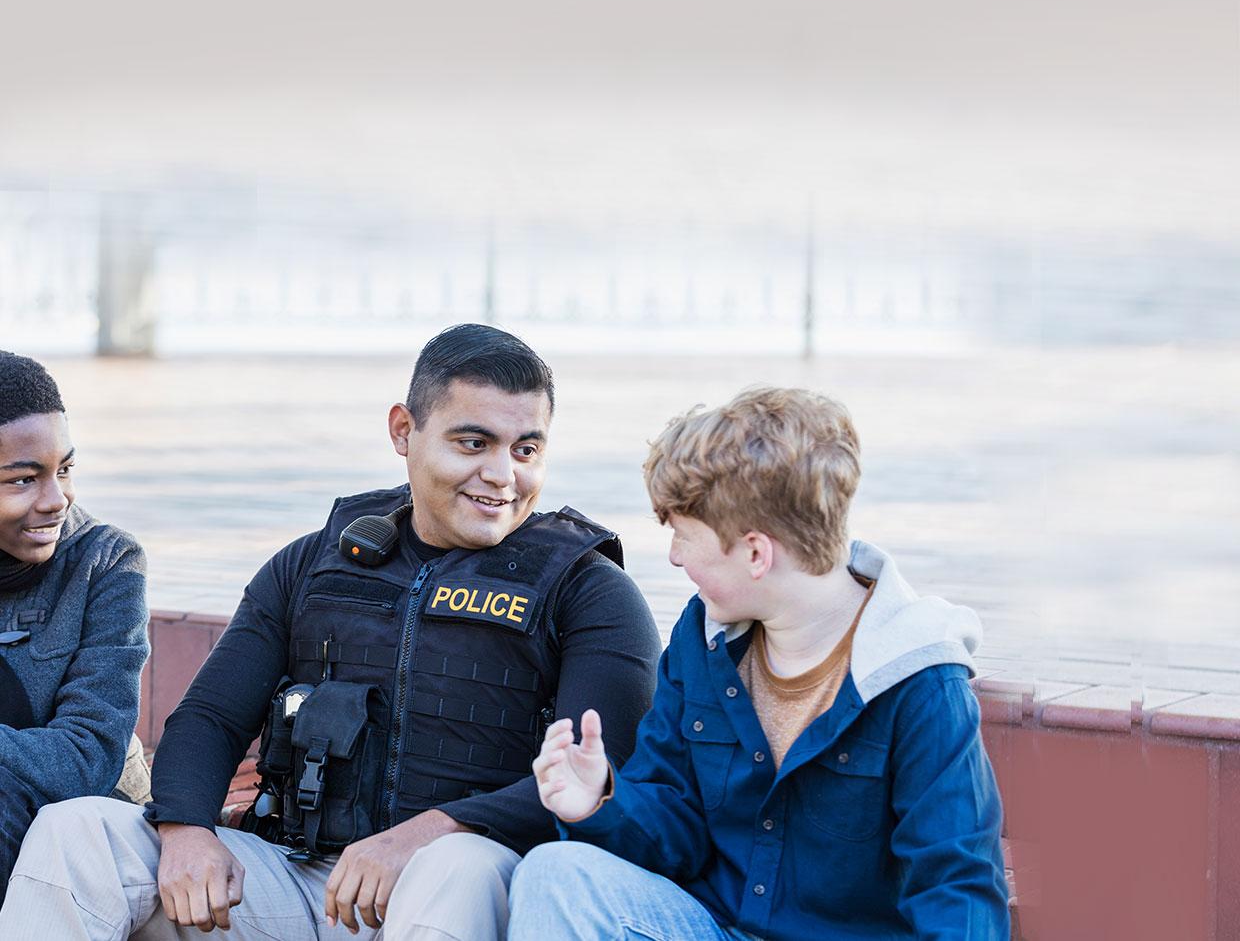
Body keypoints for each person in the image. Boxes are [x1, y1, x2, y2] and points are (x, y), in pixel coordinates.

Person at [2, 324, 661, 940]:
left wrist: (431, 832)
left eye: (526, 449)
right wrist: (185, 829)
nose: (502, 475)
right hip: (303, 877)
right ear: (404, 430)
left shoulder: (589, 592)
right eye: (473, 443)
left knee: (455, 863)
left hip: (463, 890)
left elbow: (601, 775)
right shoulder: (312, 565)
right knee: (77, 830)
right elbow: (208, 719)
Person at [510, 386, 1010, 941]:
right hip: (710, 926)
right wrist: (601, 799)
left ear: (755, 553)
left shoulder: (920, 684)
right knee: (554, 874)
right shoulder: (701, 641)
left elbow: (957, 890)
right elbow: (676, 826)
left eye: (683, 534)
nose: (674, 556)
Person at [0, 352, 148, 902]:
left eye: (64, 469)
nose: (56, 500)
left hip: (88, 822)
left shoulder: (106, 561)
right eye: (23, 479)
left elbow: (88, 757)